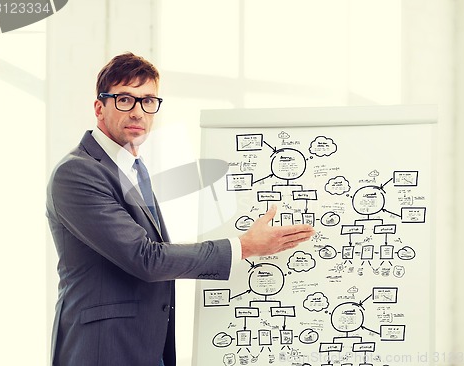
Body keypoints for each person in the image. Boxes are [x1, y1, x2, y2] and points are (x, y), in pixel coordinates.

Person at [46, 52, 314, 366]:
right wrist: (245, 246)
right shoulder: (78, 172)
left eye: (148, 101)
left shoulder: (134, 167)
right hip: (104, 348)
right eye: (124, 100)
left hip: (145, 344)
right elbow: (144, 258)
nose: (138, 112)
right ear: (99, 107)